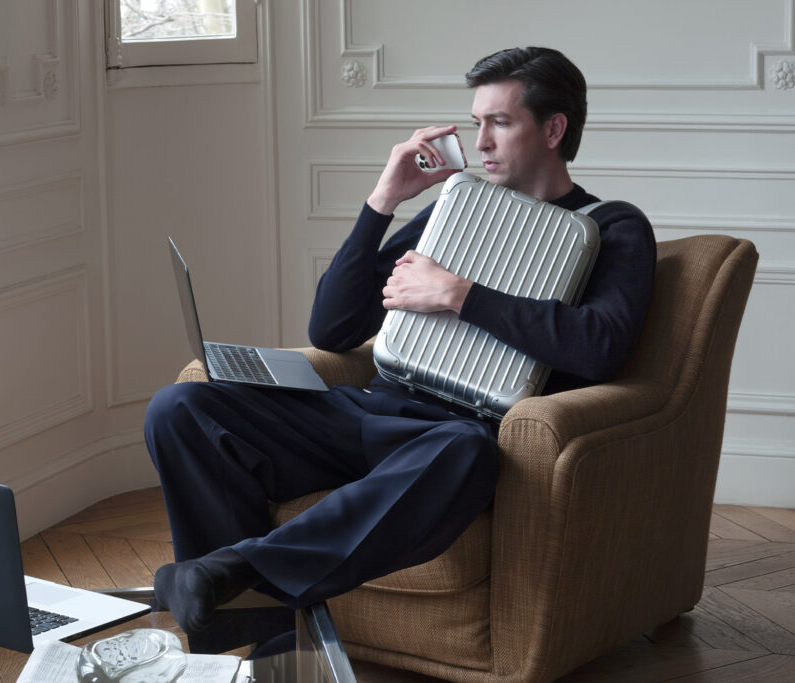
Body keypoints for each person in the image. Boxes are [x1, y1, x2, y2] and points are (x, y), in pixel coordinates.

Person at [145, 46, 656, 653]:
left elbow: (599, 348)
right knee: (181, 408)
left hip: (453, 439)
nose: (482, 141)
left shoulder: (615, 228)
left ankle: (236, 573)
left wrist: (459, 294)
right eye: (476, 124)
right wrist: (383, 202)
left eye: (501, 122)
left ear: (553, 129)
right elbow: (333, 330)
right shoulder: (453, 207)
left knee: (467, 452)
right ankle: (257, 630)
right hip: (366, 411)